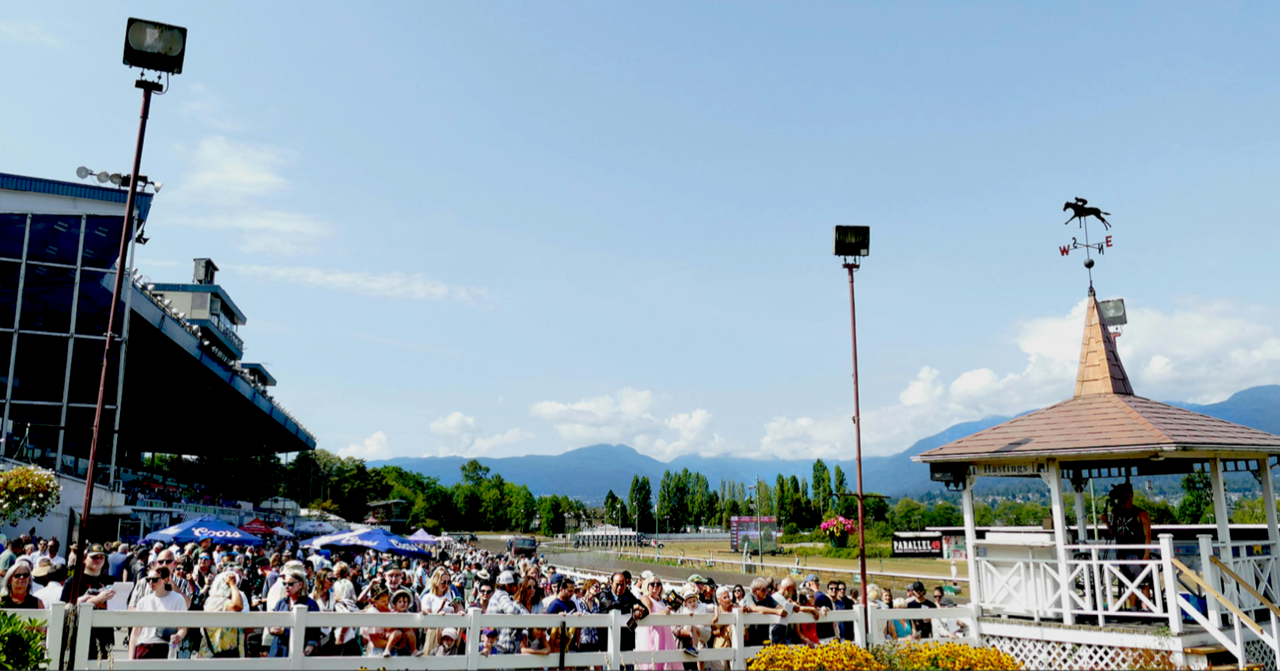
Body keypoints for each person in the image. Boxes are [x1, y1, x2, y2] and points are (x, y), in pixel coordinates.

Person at [62, 544, 117, 660]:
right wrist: (95, 600)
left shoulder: (112, 581)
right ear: (84, 559)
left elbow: (120, 606)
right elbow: (64, 608)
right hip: (79, 634)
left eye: (101, 557)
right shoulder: (73, 582)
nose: (98, 560)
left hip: (105, 634)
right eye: (94, 557)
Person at [1105, 482, 1153, 611]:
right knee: (1130, 582)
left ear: (1130, 496)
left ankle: (1146, 608)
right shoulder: (1117, 512)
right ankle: (1133, 608)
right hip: (1123, 552)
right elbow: (1113, 532)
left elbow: (1148, 536)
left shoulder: (1140, 513)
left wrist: (1146, 554)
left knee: (1142, 582)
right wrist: (1106, 522)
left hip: (1137, 552)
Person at [129, 566, 188, 659]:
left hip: (165, 647)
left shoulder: (178, 599)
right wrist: (130, 660)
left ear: (166, 580)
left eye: (155, 579)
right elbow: (135, 633)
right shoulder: (143, 601)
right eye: (148, 579)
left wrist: (178, 636)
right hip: (143, 647)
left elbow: (183, 628)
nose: (151, 582)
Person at [268, 568, 321, 658]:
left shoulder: (310, 604)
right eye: (285, 583)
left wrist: (305, 653)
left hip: (299, 651)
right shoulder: (281, 603)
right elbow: (271, 625)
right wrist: (272, 630)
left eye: (290, 584)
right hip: (277, 650)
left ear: (300, 585)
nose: (286, 587)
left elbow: (314, 635)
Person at [200, 571, 247, 658]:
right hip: (219, 656)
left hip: (217, 654)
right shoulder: (219, 602)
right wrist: (232, 584)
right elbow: (238, 606)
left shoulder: (213, 601)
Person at [636, 576, 677, 670]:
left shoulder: (662, 602)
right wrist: (663, 612)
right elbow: (649, 614)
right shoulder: (645, 598)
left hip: (664, 634)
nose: (655, 586)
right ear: (647, 586)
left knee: (667, 663)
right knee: (653, 663)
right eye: (652, 584)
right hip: (653, 635)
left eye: (658, 584)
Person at [485, 571, 529, 655]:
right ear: (507, 586)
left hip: (496, 644)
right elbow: (511, 609)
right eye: (515, 585)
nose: (517, 587)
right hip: (501, 645)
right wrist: (521, 612)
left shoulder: (496, 595)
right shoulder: (502, 595)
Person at [599, 571, 641, 654]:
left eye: (622, 585)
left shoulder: (628, 595)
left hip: (626, 643)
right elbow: (611, 605)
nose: (619, 588)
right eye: (617, 584)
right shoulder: (604, 595)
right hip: (608, 642)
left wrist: (639, 611)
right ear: (611, 583)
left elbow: (643, 608)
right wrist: (631, 607)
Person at [805, 574, 836, 643]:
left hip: (820, 637)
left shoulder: (815, 598)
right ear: (818, 584)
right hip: (830, 634)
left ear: (808, 583)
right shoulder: (827, 598)